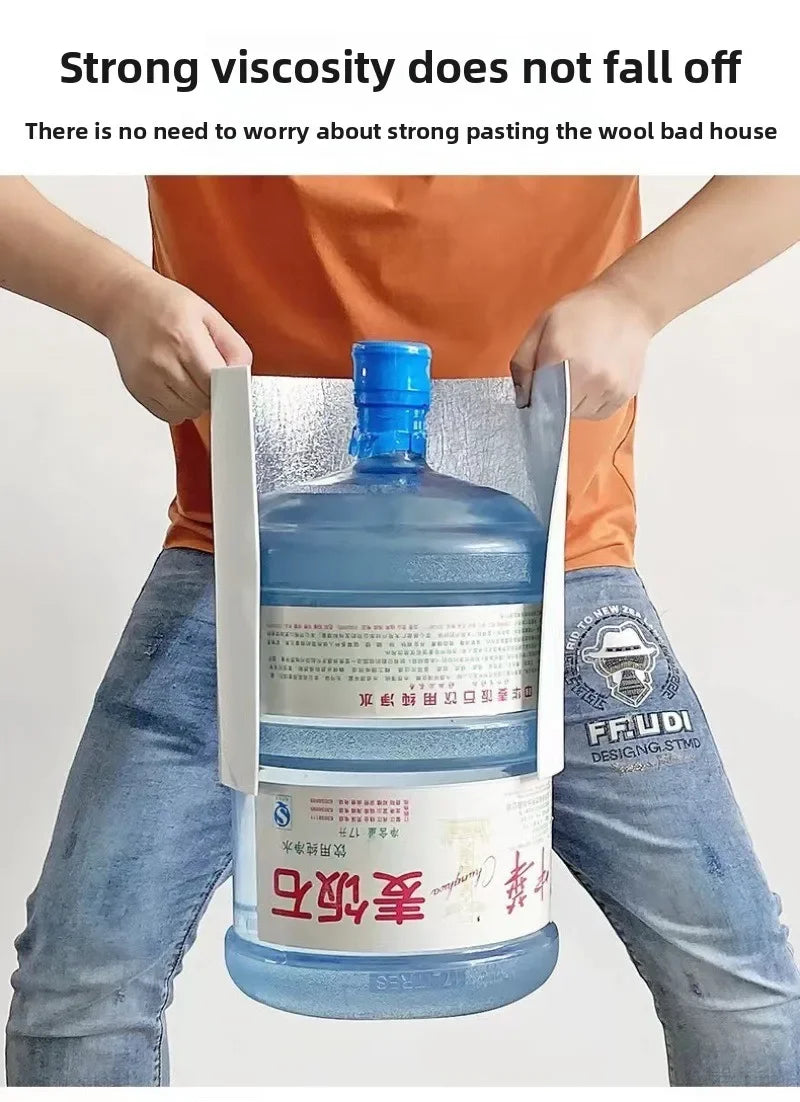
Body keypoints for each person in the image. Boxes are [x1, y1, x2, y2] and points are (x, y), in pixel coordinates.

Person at [2, 175, 799, 1087]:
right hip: (257, 568)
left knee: (734, 980)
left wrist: (636, 297)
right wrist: (113, 294)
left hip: (542, 564)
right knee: (80, 985)